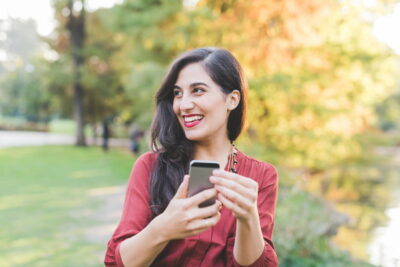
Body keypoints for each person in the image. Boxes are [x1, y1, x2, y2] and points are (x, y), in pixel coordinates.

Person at [104, 47, 279, 267]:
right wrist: (164, 227)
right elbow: (118, 263)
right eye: (178, 93)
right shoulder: (150, 166)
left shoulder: (260, 176)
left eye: (197, 90)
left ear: (232, 100)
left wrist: (248, 218)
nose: (183, 105)